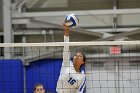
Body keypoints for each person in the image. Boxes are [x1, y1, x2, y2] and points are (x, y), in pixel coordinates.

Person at [56, 24, 86, 93]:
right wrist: (66, 30)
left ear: (82, 62)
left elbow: (79, 92)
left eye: (80, 56)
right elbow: (66, 47)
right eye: (76, 55)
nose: (77, 57)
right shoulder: (67, 64)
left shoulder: (82, 76)